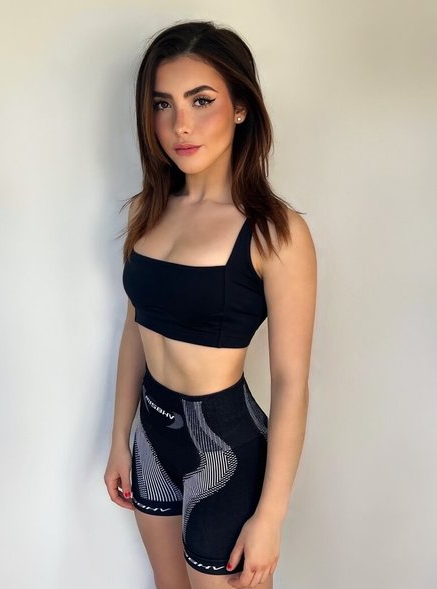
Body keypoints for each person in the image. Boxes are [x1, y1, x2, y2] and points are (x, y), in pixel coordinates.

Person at [104, 19, 317, 589]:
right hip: (152, 438)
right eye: (163, 104)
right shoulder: (146, 212)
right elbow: (135, 331)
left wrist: (270, 517)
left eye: (201, 101)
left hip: (226, 455)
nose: (181, 124)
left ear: (241, 108)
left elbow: (291, 381)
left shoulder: (275, 233)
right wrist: (120, 438)